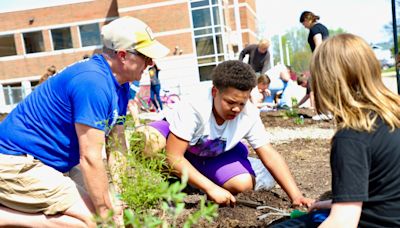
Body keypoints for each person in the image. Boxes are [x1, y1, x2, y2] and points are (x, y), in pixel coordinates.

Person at [0, 16, 168, 227]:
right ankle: (6, 217)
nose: (151, 63)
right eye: (145, 56)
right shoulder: (93, 82)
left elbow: (116, 146)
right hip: (15, 162)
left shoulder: (121, 85)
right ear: (123, 56)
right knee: (94, 222)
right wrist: (107, 214)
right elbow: (90, 158)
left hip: (52, 164)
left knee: (112, 207)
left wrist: (122, 197)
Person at [135, 60, 314, 207]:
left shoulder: (248, 114)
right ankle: (176, 179)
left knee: (243, 184)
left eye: (242, 103)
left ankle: (193, 180)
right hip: (178, 146)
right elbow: (173, 156)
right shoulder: (195, 106)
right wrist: (211, 188)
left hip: (213, 154)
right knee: (147, 141)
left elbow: (269, 154)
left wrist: (296, 196)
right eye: (230, 102)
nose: (236, 109)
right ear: (215, 92)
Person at [274, 34, 400, 227]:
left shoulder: (352, 136)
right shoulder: (393, 115)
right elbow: (384, 190)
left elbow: (343, 223)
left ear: (327, 81)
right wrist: (334, 202)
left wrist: (338, 212)